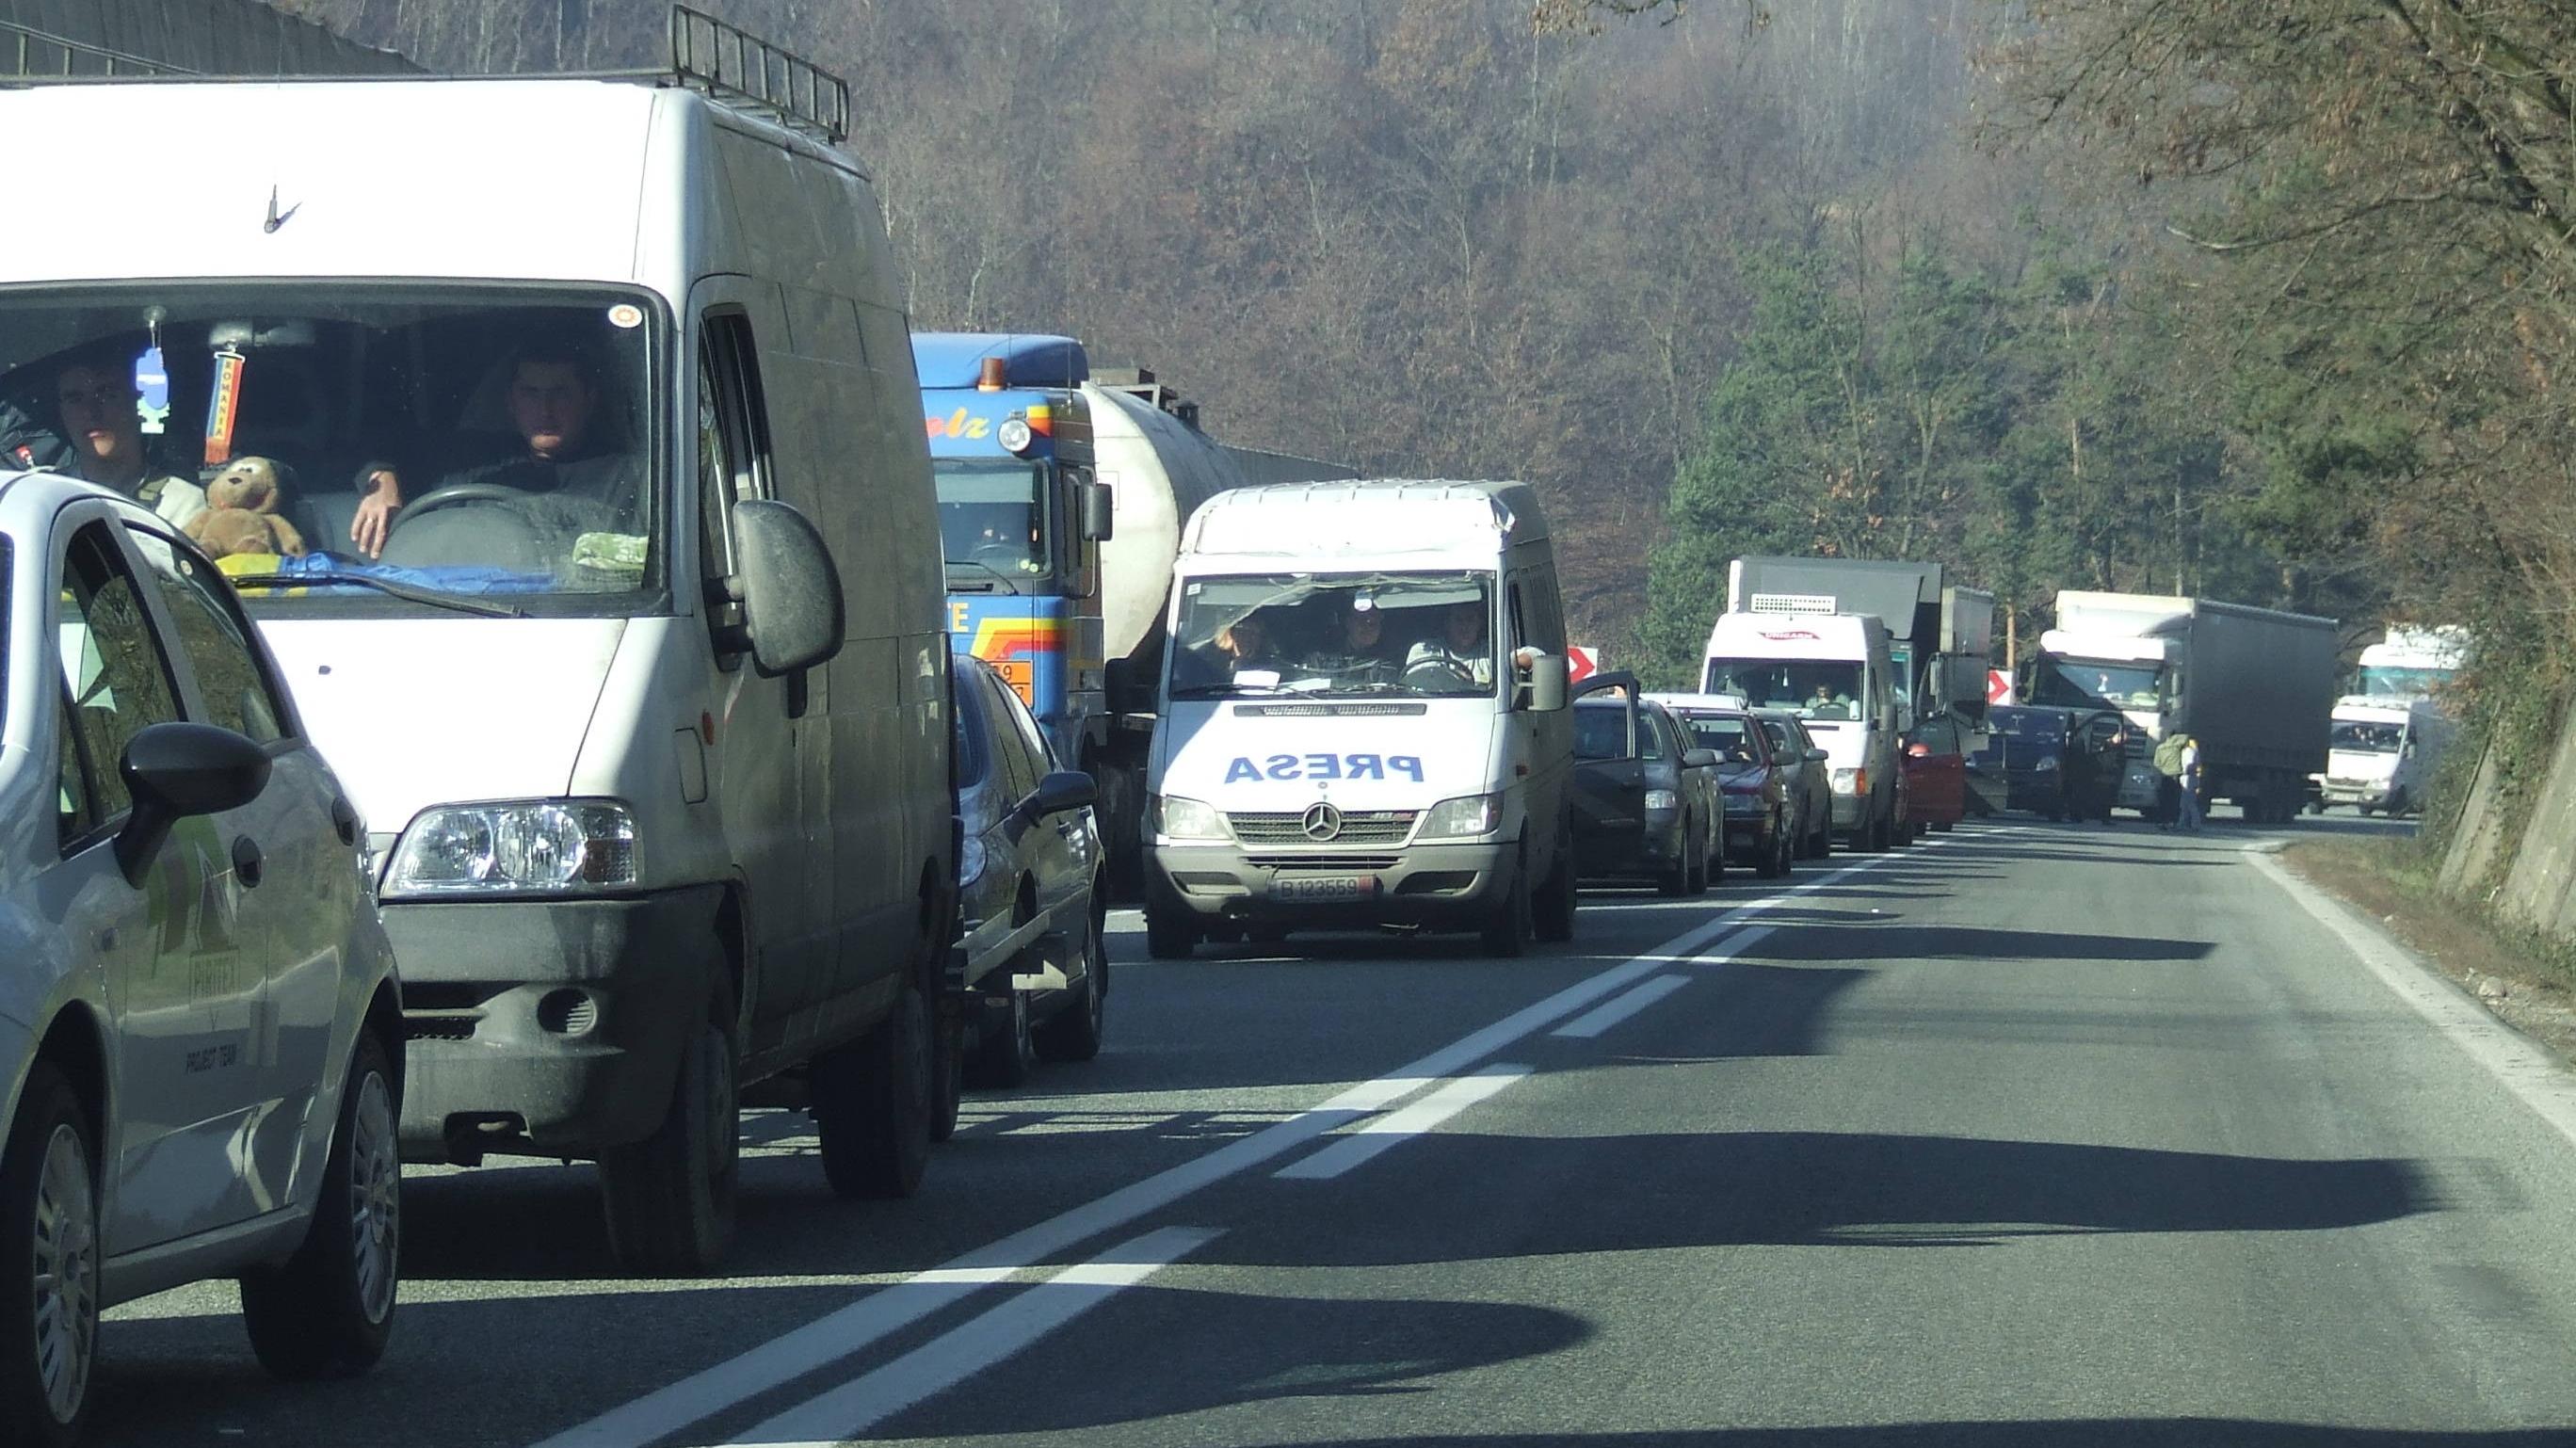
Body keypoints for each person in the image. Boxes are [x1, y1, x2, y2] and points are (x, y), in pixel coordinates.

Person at [348, 344, 637, 557]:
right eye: (531, 393)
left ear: (589, 400)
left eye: (560, 393)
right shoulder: (474, 459)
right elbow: (373, 444)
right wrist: (382, 478)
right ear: (511, 401)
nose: (545, 410)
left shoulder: (627, 478)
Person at [55, 358, 208, 529]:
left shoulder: (182, 503)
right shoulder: (43, 491)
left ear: (138, 402)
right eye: (75, 400)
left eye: (107, 395)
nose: (91, 412)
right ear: (61, 412)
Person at [1404, 602, 1498, 688]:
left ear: (1479, 624)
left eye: (1470, 620)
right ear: (1447, 624)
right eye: (1458, 620)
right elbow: (1423, 681)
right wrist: (1456, 678)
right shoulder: (1424, 649)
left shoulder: (1493, 652)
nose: (1465, 627)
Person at [1301, 599, 1394, 683]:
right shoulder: (1319, 658)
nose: (1368, 627)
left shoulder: (1387, 663)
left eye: (1374, 623)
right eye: (1362, 620)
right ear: (1348, 622)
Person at [2176, 732, 2204, 833]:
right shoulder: (2192, 751)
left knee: (2190, 803)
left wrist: (2185, 770)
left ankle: (2196, 824)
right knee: (2184, 804)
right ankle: (2182, 823)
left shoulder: (2189, 751)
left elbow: (2190, 763)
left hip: (2189, 778)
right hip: (2189, 778)